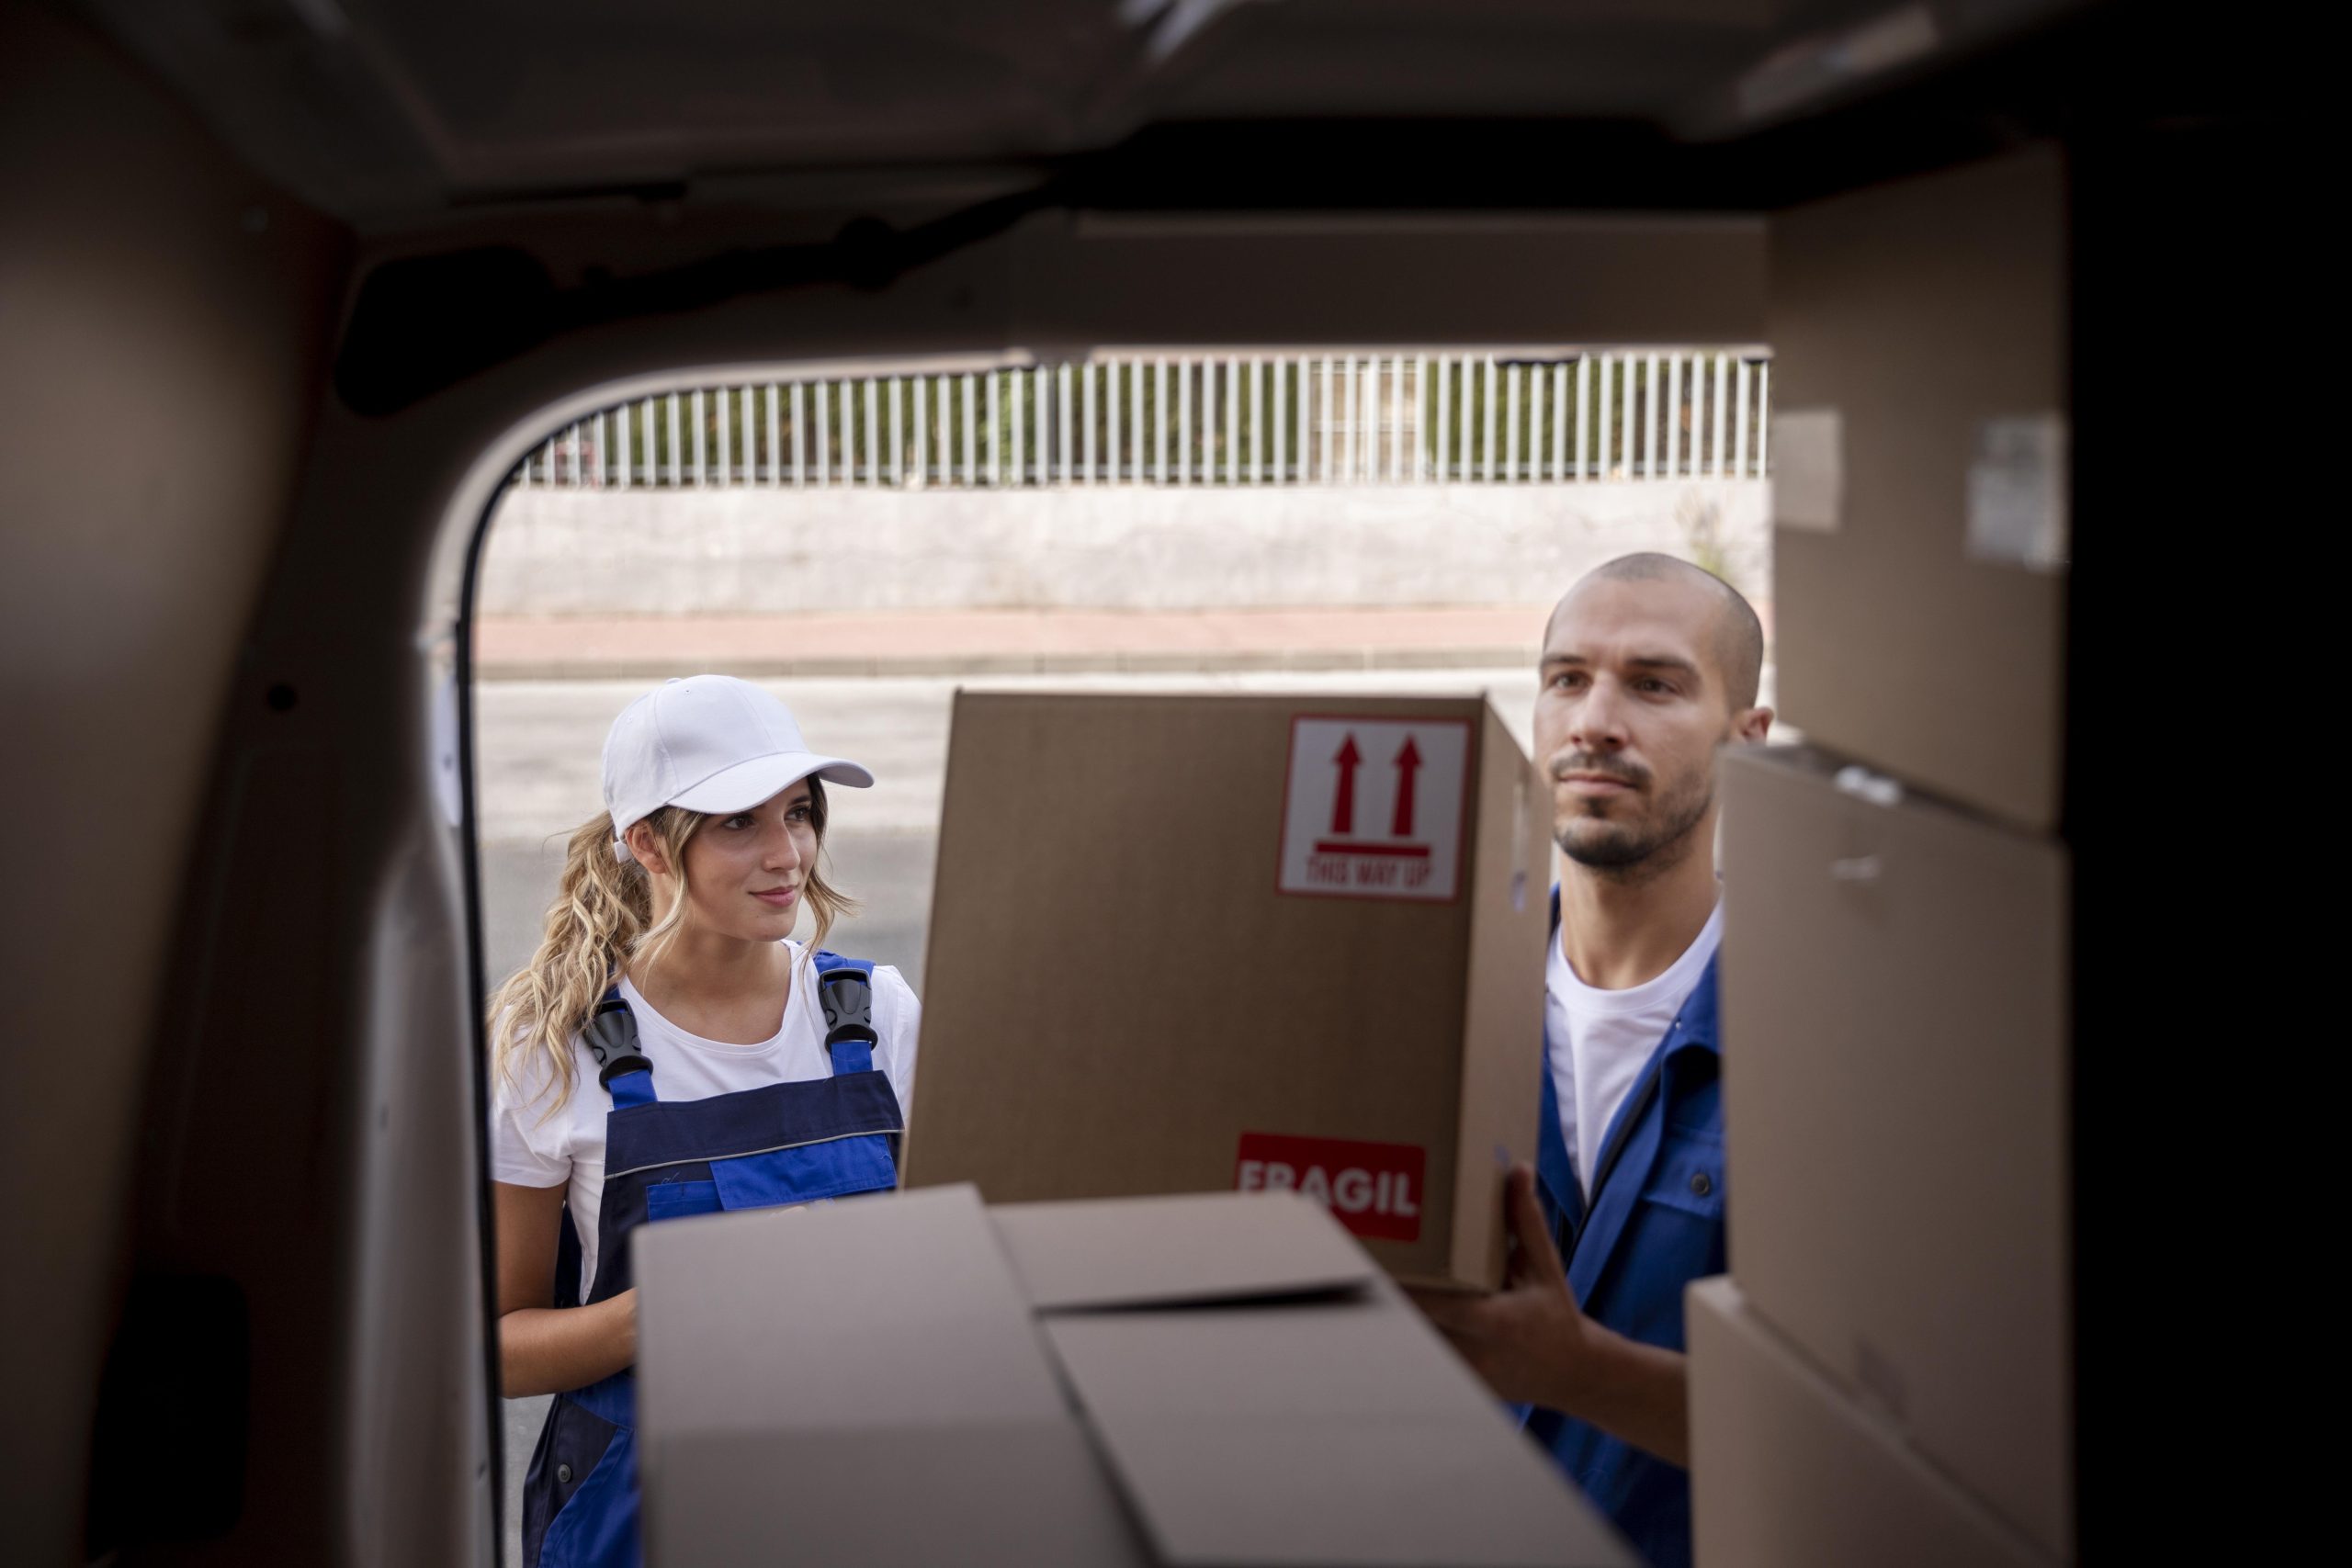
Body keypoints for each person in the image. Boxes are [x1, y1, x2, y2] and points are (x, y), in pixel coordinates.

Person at [486, 674, 920, 1568]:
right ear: (647, 842)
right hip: (641, 1518)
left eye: (797, 813)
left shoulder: (878, 1015)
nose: (787, 853)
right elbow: (496, 1345)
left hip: (862, 1493)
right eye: (737, 823)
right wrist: (662, 1315)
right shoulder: (552, 1053)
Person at [1415, 554, 1771, 1568]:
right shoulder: (1441, 1009)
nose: (1594, 721)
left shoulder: (1816, 1044)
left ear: (1747, 741)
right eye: (1566, 678)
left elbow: (1870, 1440)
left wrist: (1579, 1373)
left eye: (1652, 684)